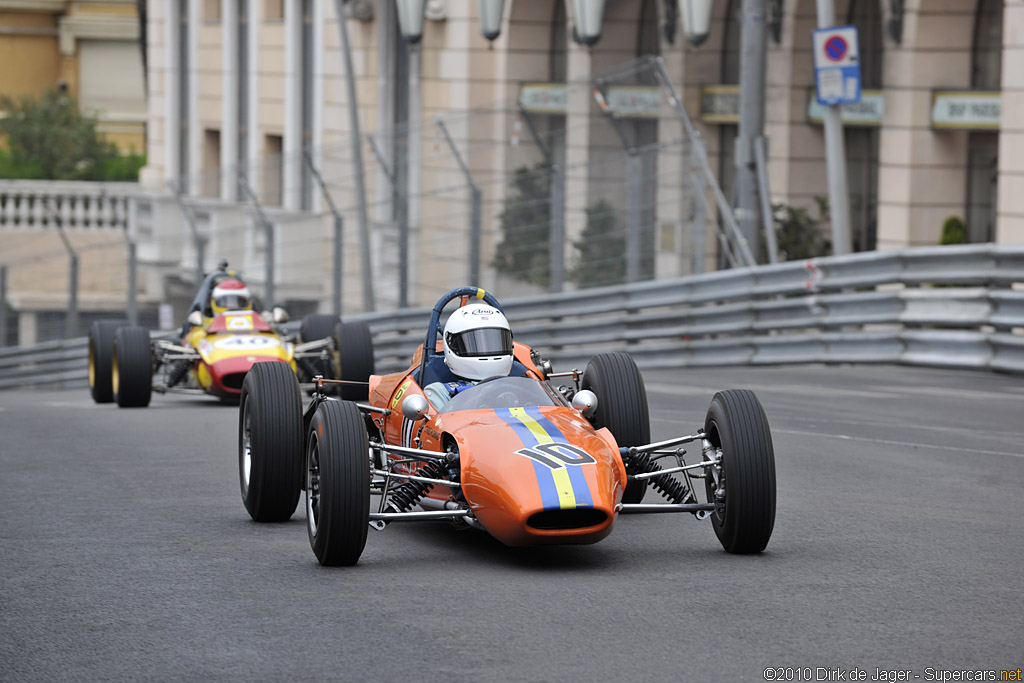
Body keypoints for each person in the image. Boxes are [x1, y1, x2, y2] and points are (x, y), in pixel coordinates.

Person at [423, 303, 514, 409]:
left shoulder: (522, 385)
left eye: (494, 341)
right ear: (452, 345)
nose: (487, 350)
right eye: (474, 343)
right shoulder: (440, 392)